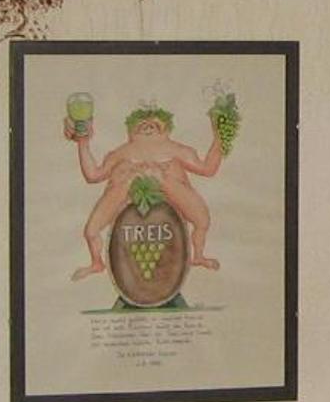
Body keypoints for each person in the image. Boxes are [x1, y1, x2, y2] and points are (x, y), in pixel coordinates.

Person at [65, 103, 225, 281]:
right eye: (143, 125)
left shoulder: (178, 150)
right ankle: (97, 262)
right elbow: (93, 175)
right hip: (125, 199)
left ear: (166, 129)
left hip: (172, 195)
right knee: (90, 231)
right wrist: (83, 144)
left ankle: (198, 255)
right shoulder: (120, 153)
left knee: (202, 220)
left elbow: (208, 169)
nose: (148, 128)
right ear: (131, 131)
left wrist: (219, 137)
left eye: (154, 125)